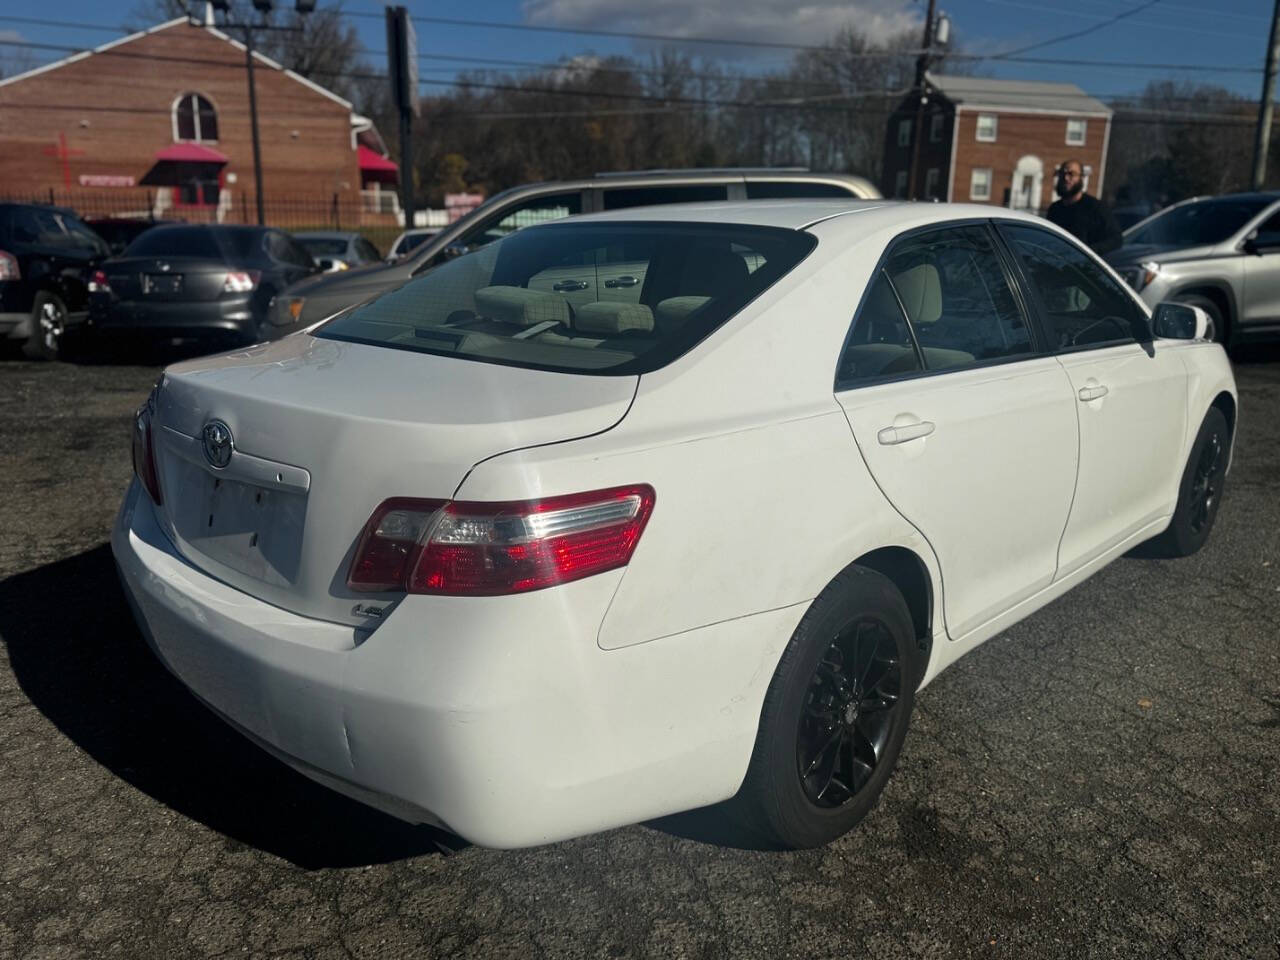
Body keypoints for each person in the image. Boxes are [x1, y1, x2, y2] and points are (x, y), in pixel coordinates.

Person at [1046, 160, 1122, 255]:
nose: (1066, 178)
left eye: (1071, 174)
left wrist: (1089, 253)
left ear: (1082, 177)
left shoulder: (1096, 208)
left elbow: (1116, 239)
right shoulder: (1054, 209)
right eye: (1062, 173)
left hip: (1084, 267)